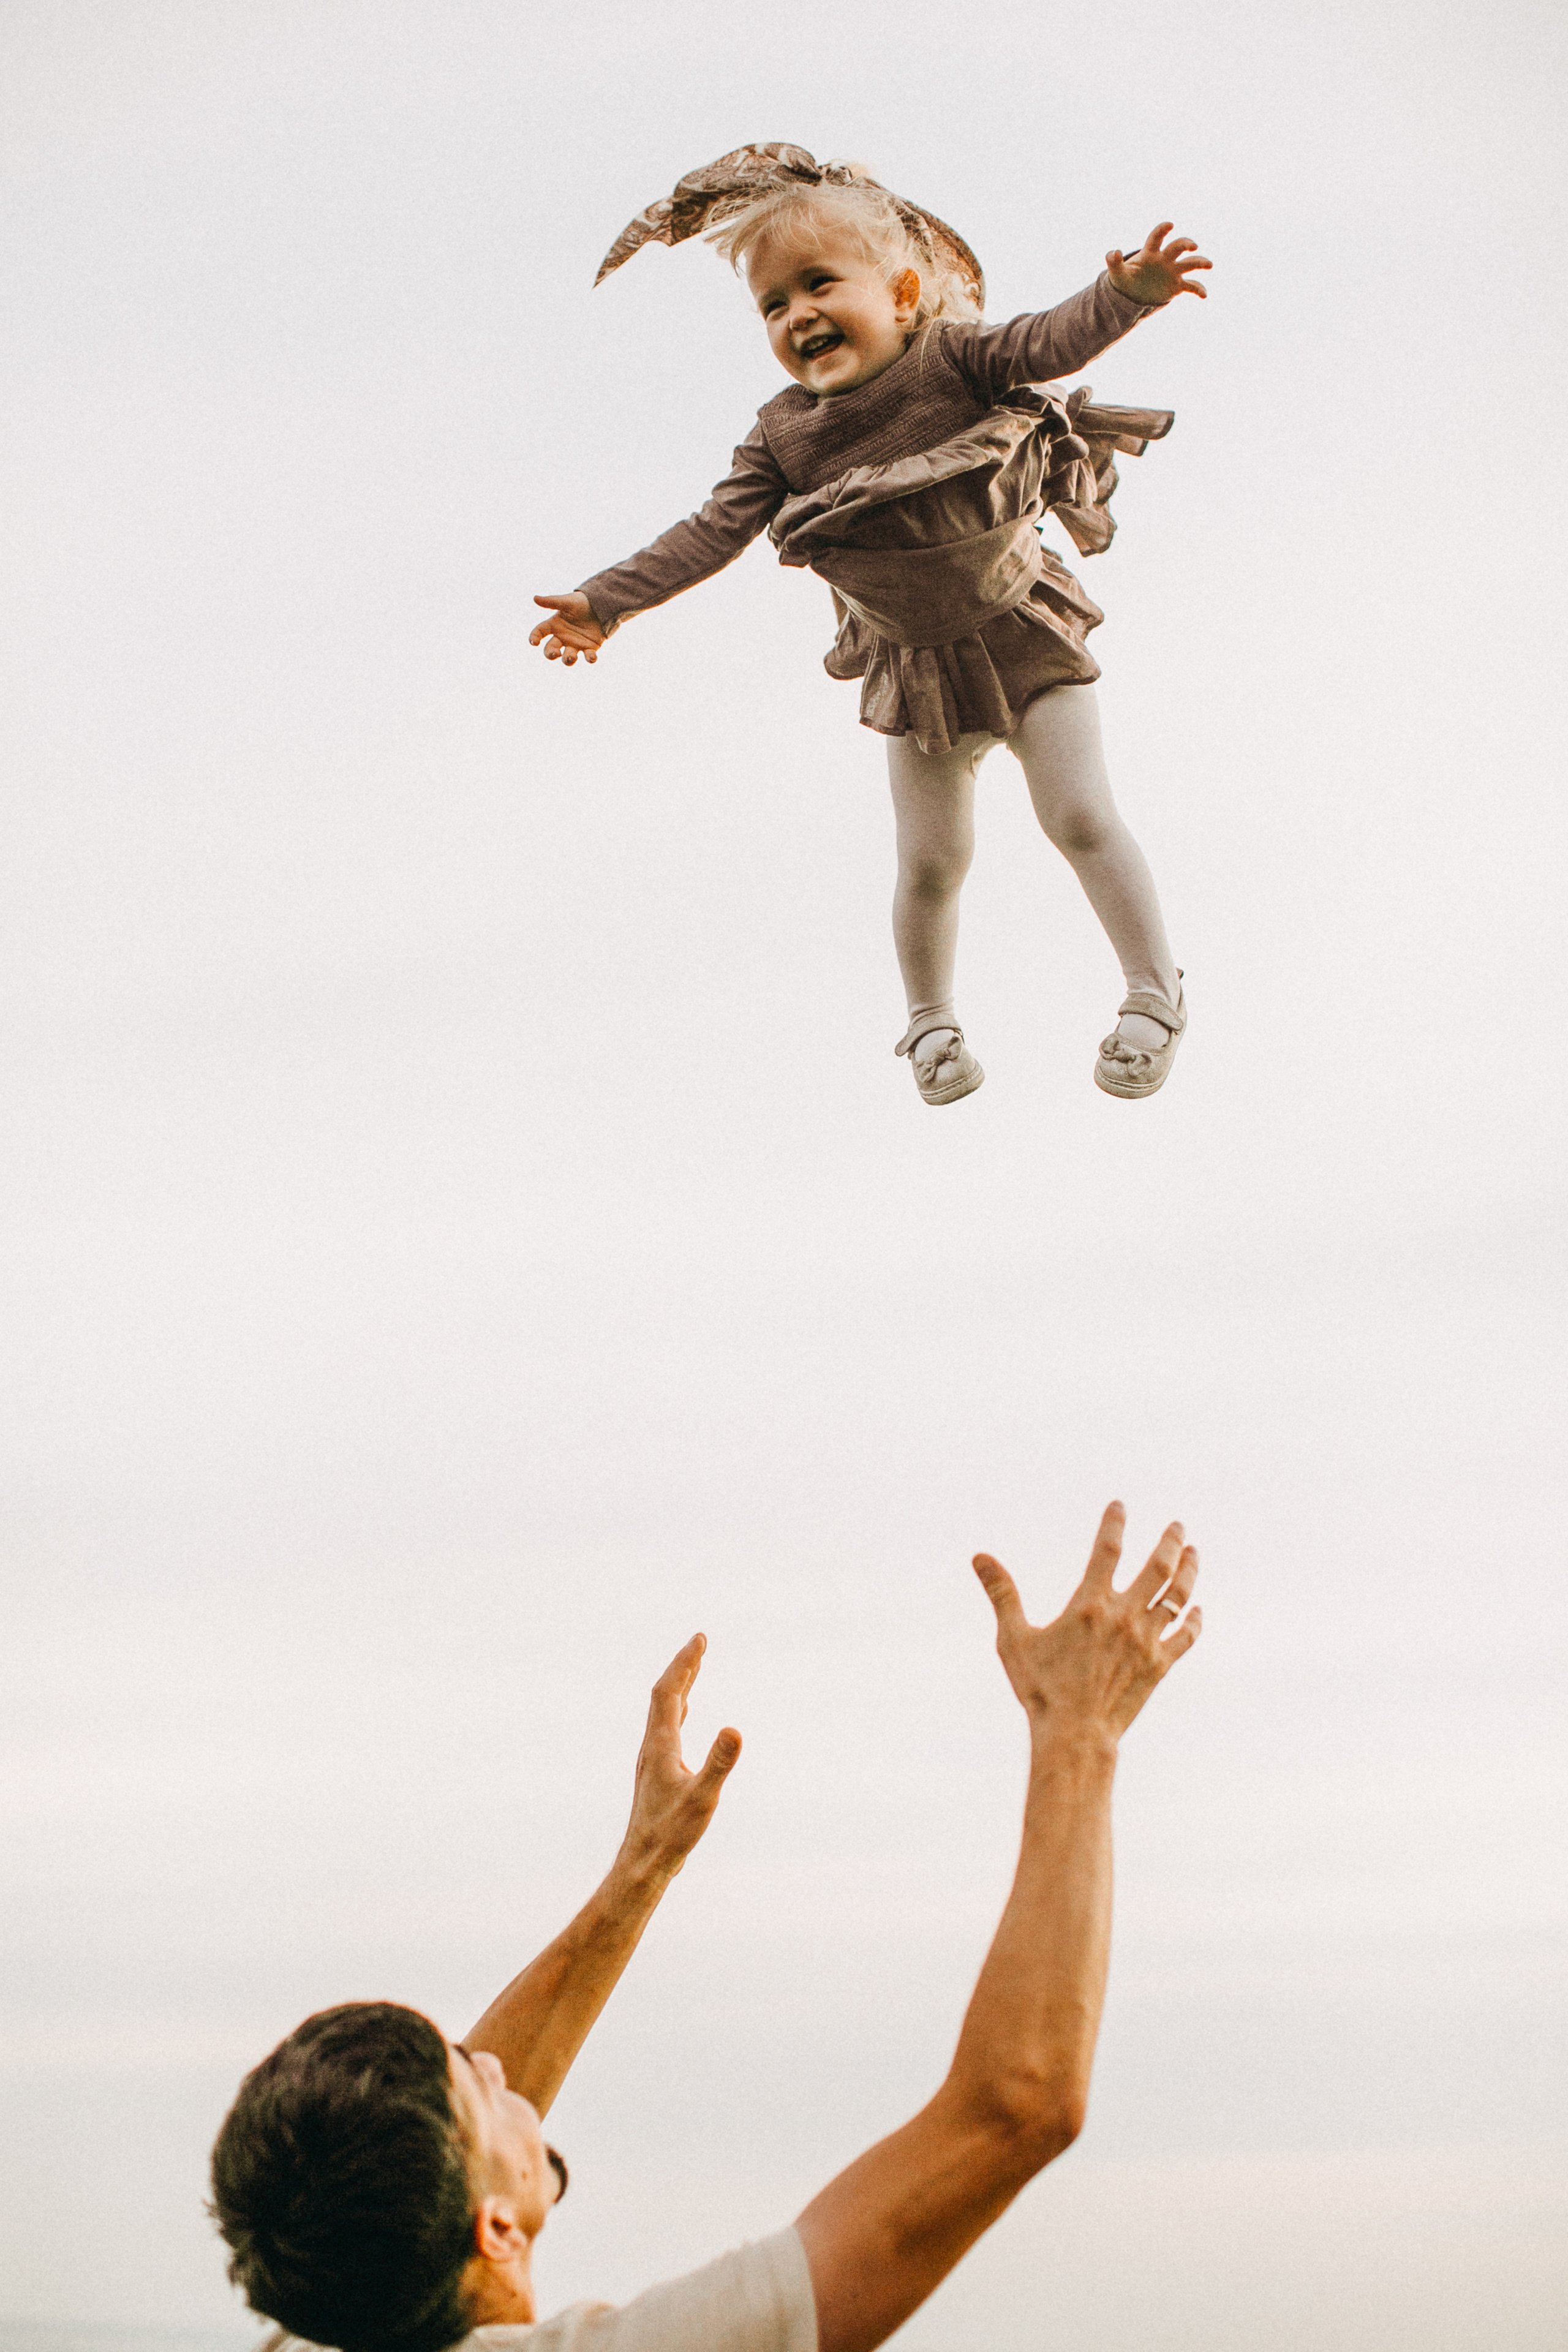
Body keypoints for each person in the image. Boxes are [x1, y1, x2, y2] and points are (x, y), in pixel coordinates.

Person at [210, 1502, 1201, 2352]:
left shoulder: (325, 2305)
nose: (508, 2068)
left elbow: (415, 2186)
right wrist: (1079, 1732)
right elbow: (1017, 2108)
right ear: (498, 2233)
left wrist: (643, 1867)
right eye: (481, 2081)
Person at [529, 145, 1212, 1106]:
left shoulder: (957, 360)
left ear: (899, 293)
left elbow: (1048, 344)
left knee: (1080, 816)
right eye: (773, 304)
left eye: (819, 284)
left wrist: (1127, 292)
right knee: (932, 861)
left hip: (1023, 632)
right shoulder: (783, 435)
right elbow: (711, 530)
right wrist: (607, 601)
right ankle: (931, 1021)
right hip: (914, 667)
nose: (798, 314)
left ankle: (1154, 992)